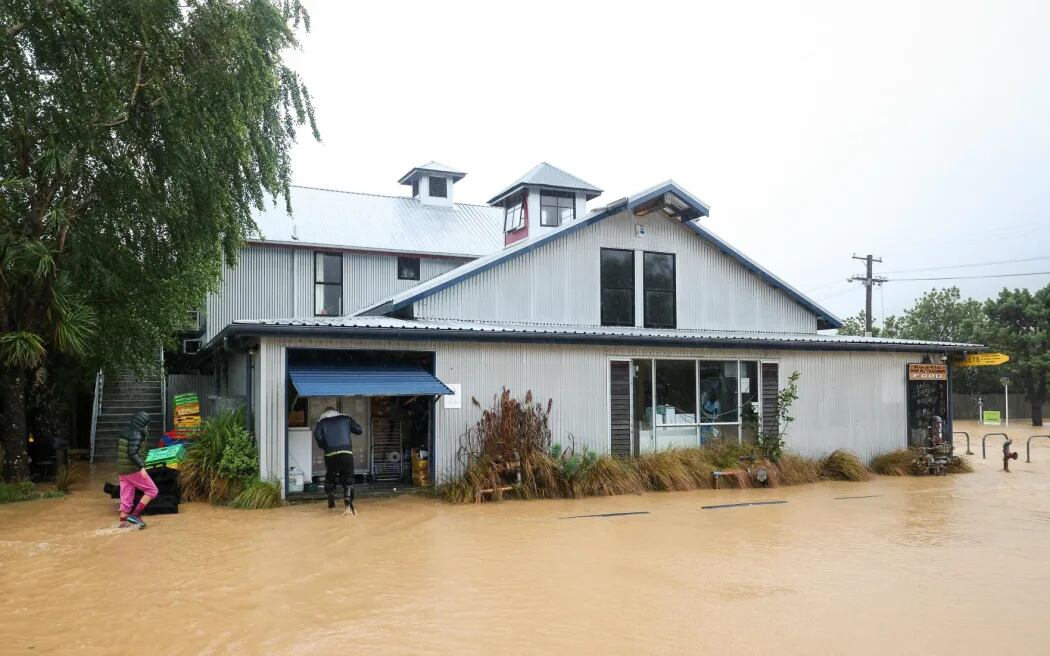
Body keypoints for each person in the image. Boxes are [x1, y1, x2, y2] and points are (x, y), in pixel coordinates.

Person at [313, 406, 363, 510]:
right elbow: (359, 430)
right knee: (348, 478)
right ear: (336, 412)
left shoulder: (322, 422)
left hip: (330, 454)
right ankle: (348, 500)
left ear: (325, 413)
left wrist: (324, 446)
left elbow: (317, 435)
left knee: (330, 477)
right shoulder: (346, 419)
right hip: (346, 453)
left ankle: (331, 497)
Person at [116, 410, 158, 528]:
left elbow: (121, 451)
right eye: (146, 424)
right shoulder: (137, 434)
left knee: (127, 497)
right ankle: (135, 515)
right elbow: (132, 453)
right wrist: (142, 468)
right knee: (152, 490)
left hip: (122, 470)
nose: (147, 426)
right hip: (132, 469)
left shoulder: (124, 432)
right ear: (142, 423)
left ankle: (123, 522)